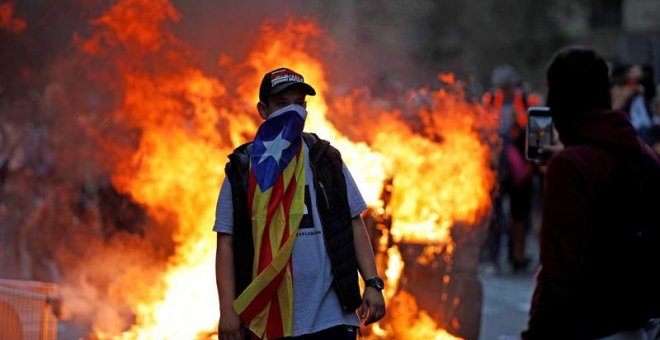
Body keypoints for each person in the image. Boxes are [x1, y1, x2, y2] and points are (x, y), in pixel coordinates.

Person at [214, 67, 385, 340]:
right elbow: (227, 243)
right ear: (263, 110)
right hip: (268, 319)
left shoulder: (325, 159)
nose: (292, 112)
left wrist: (373, 283)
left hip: (332, 318)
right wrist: (227, 311)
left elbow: (353, 223)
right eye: (282, 104)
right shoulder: (244, 169)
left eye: (298, 104)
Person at [522, 47, 660, 339]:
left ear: (559, 98)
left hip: (587, 326)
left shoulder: (570, 168)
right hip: (638, 325)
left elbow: (558, 272)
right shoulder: (643, 153)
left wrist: (535, 333)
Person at [481, 65, 540, 272]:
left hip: (522, 168)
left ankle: (518, 257)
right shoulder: (488, 101)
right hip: (496, 167)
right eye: (500, 87)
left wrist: (520, 123)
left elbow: (538, 131)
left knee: (520, 216)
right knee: (494, 216)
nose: (503, 91)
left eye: (506, 87)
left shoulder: (528, 101)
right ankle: (492, 258)